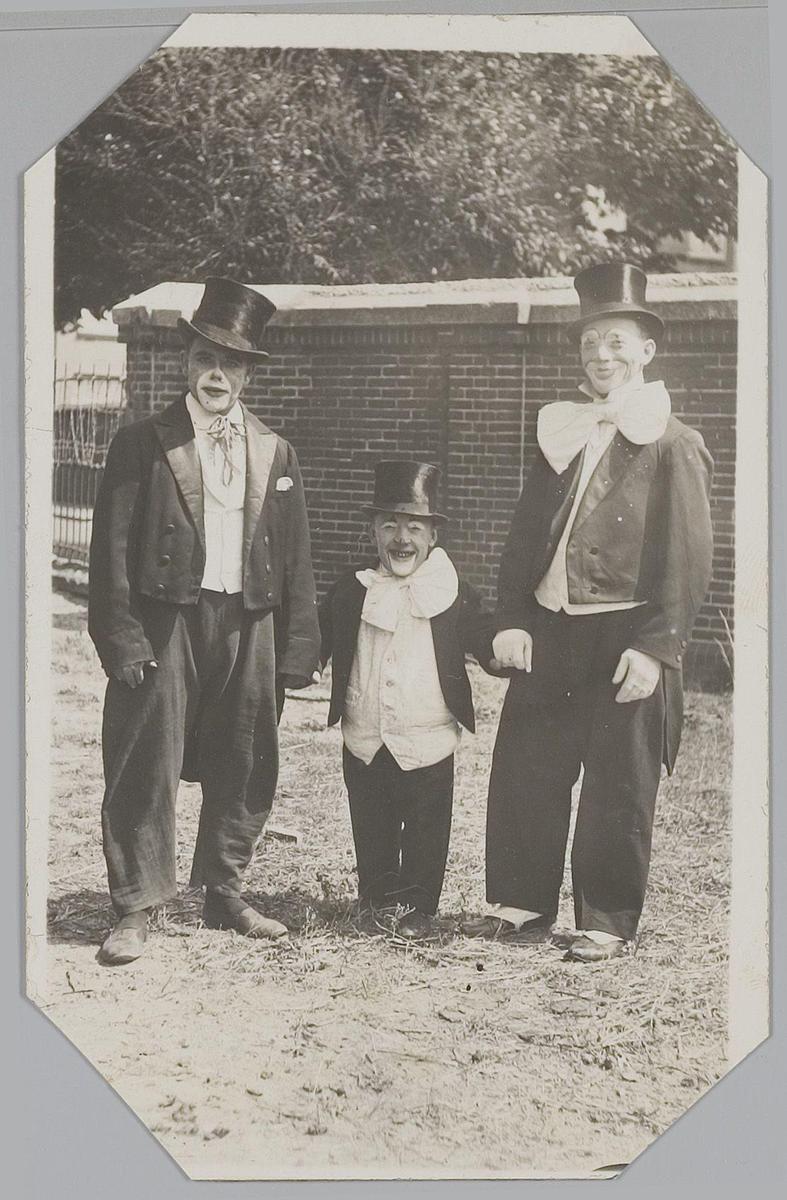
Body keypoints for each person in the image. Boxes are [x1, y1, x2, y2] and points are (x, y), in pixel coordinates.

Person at [463, 263, 714, 962]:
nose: (600, 356)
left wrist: (656, 646)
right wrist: (512, 617)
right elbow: (524, 540)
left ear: (646, 350)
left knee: (618, 780)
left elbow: (688, 559)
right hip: (550, 627)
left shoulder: (673, 442)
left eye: (615, 342)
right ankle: (521, 903)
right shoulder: (561, 433)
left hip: (624, 633)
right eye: (588, 344)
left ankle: (605, 917)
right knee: (529, 765)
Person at [88, 276, 321, 964]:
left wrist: (297, 648)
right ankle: (136, 905)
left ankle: (225, 890)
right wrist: (122, 636)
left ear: (248, 374)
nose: (217, 374)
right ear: (186, 363)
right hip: (167, 620)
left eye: (232, 364)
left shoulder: (275, 451)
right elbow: (110, 551)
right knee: (145, 758)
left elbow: (296, 556)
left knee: (246, 758)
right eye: (205, 359)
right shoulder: (142, 442)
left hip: (249, 621)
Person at [319, 461, 488, 940]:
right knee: (370, 816)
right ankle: (375, 895)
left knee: (426, 824)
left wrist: (502, 643)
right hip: (366, 731)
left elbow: (482, 631)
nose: (401, 538)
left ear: (433, 536)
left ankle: (419, 905)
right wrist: (302, 659)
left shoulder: (450, 591)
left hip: (427, 733)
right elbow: (321, 634)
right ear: (372, 532)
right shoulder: (353, 590)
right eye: (389, 525)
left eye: (414, 527)